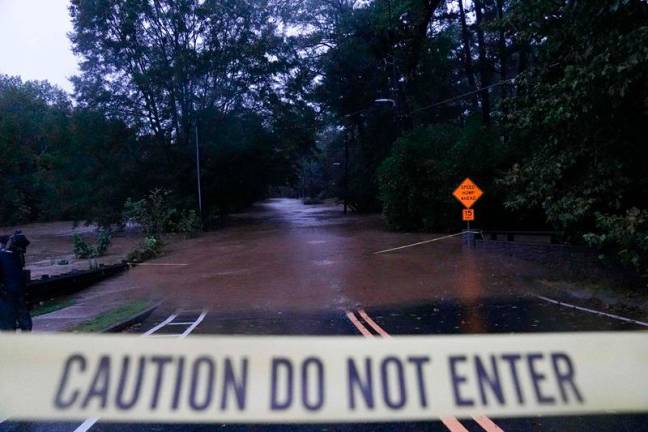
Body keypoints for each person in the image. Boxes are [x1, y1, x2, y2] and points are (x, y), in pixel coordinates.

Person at [0, 231, 32, 331]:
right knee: (24, 319)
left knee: (8, 323)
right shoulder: (17, 257)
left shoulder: (3, 256)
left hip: (6, 294)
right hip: (18, 292)